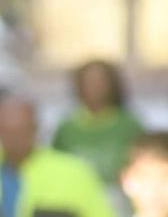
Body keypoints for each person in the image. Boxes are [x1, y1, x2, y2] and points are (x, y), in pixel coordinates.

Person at [53, 60, 147, 189]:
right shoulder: (66, 129)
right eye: (88, 82)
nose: (94, 88)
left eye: (100, 82)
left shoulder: (130, 125)